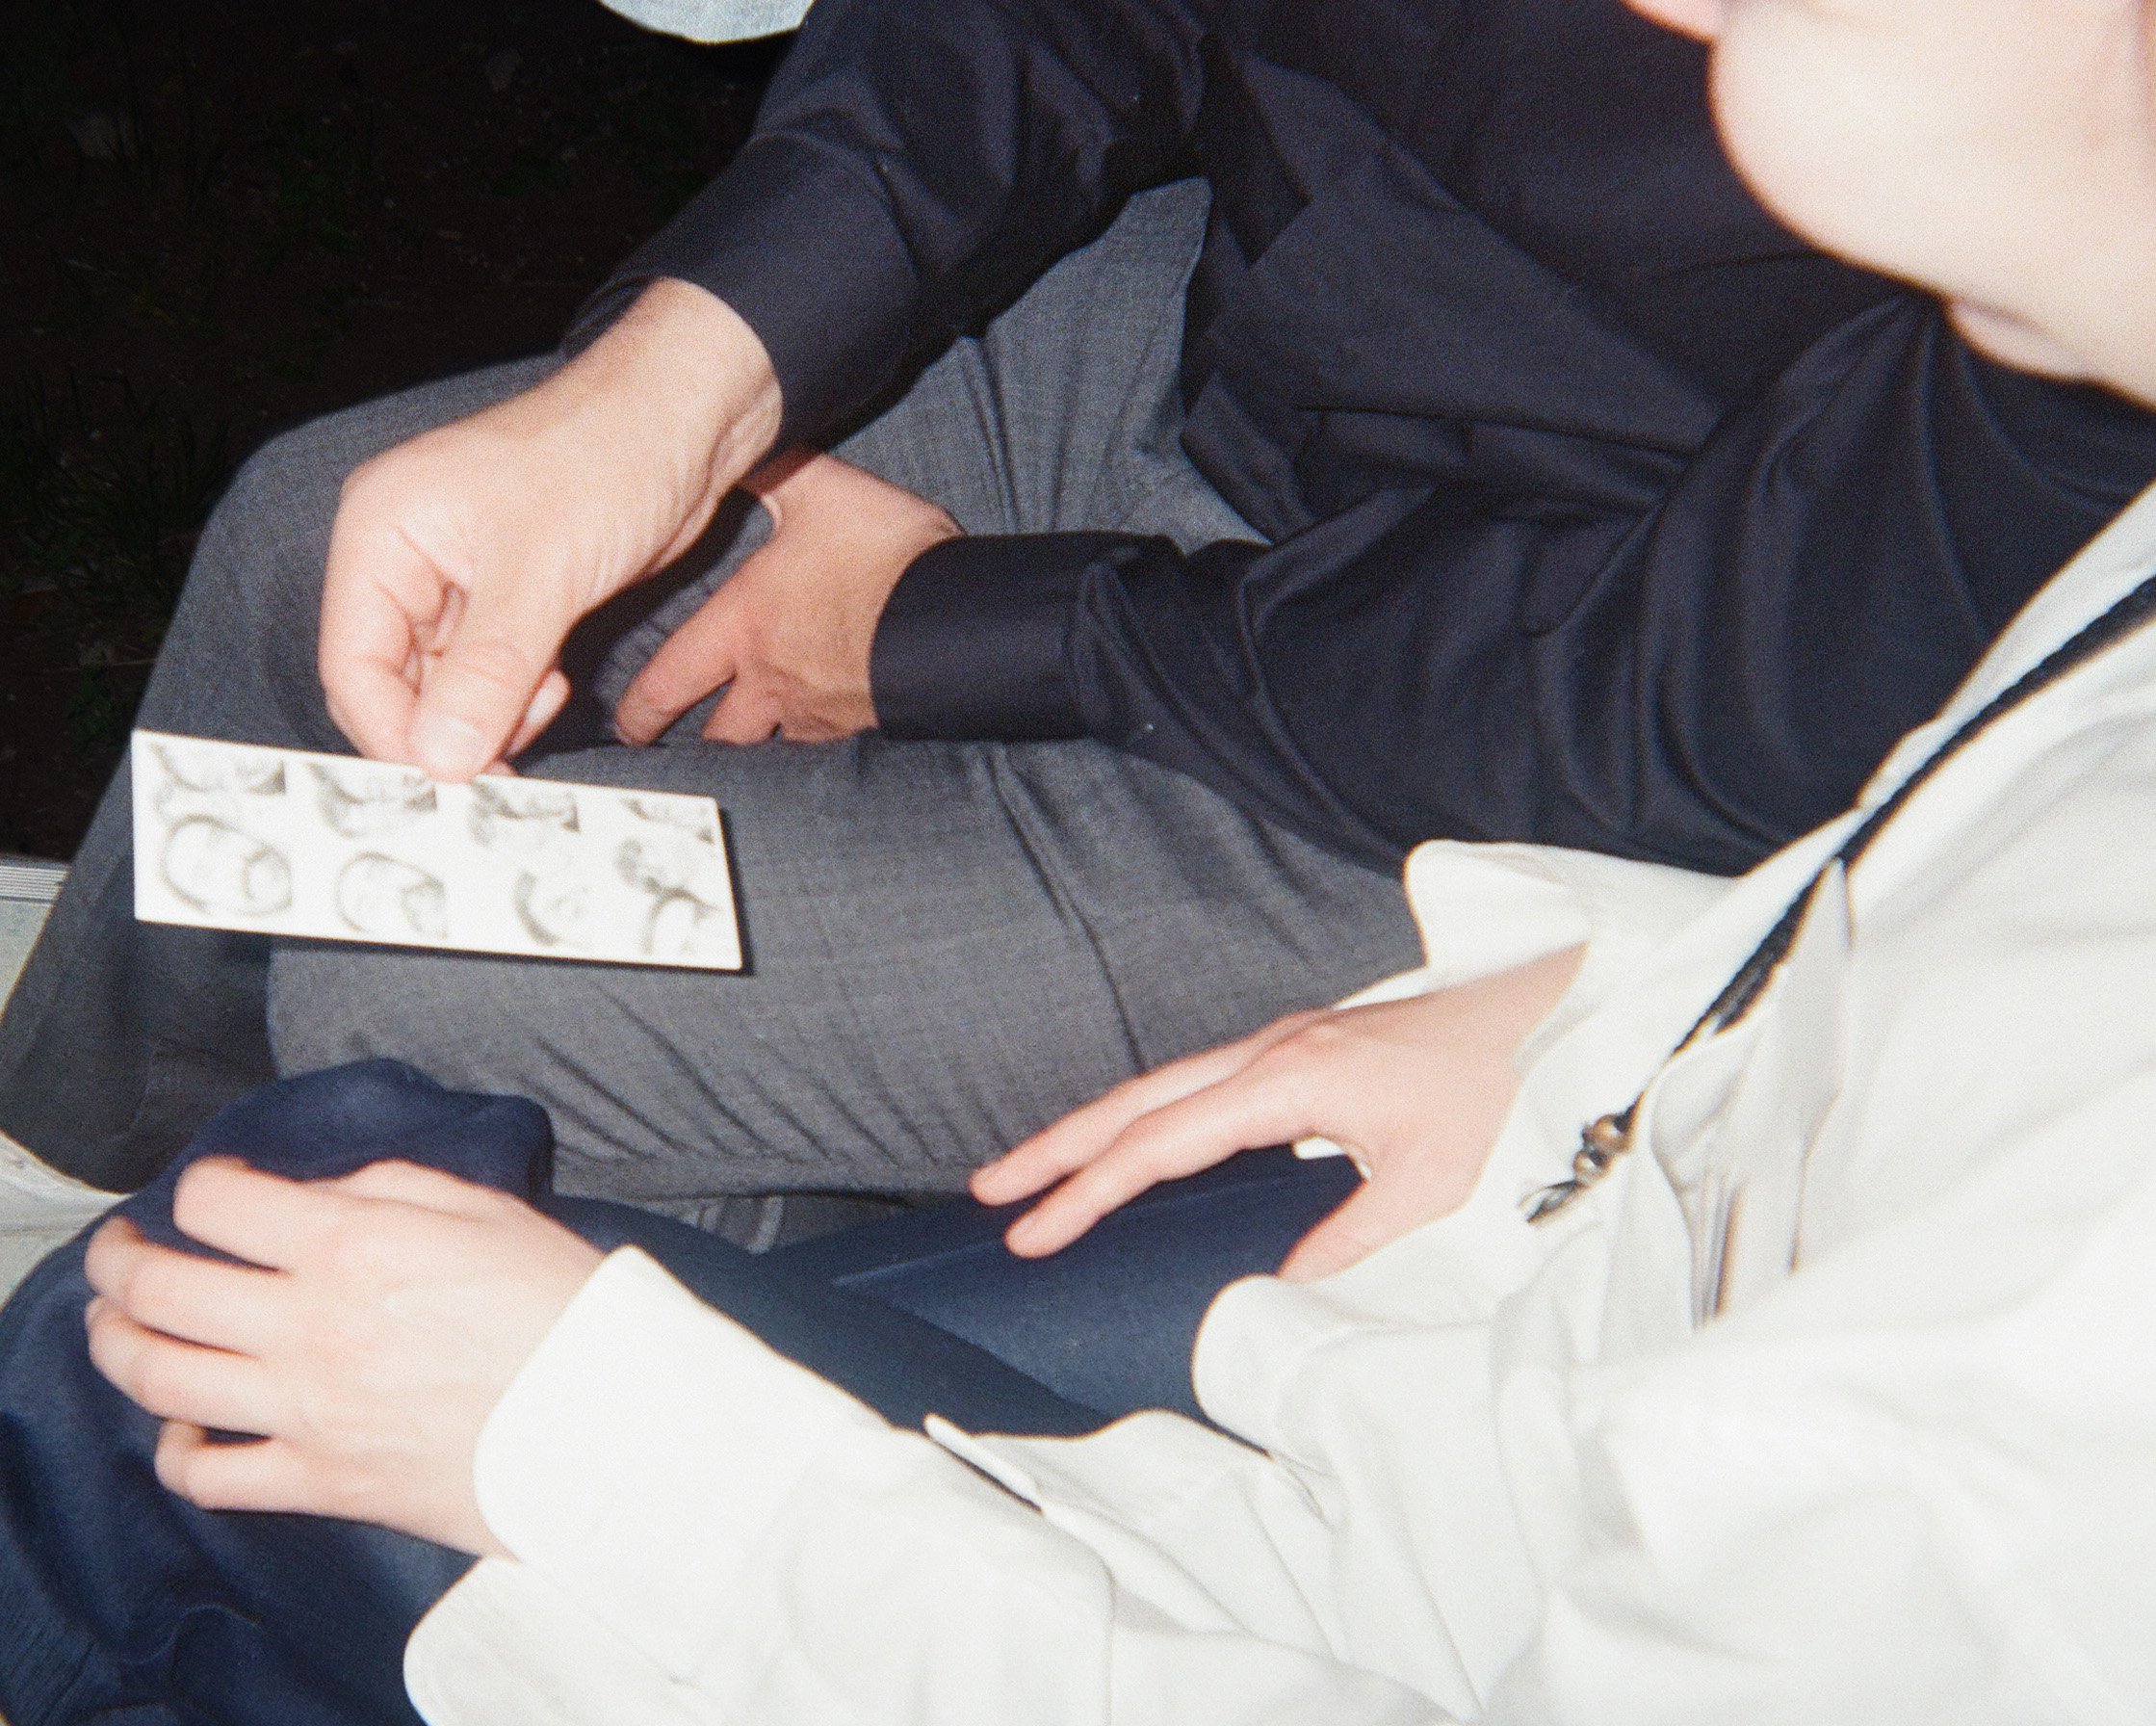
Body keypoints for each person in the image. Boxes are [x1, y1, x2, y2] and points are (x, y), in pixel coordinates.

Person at [8, 0, 2156, 1715]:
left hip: (1538, 744)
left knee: (437, 1017)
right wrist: (674, 382)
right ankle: (97, 1147)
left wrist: (946, 624)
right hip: (1285, 397)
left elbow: (1700, 696)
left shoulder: (2052, 1335)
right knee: (332, 536)